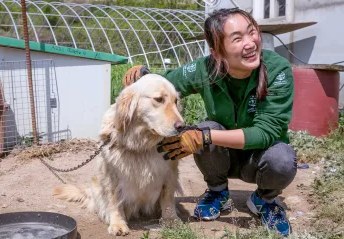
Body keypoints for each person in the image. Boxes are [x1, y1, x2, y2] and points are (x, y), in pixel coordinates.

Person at [122, 8, 297, 236]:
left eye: (251, 32)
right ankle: (217, 192)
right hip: (222, 156)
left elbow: (266, 131)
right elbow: (170, 82)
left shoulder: (277, 69)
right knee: (207, 129)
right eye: (237, 38)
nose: (250, 43)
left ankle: (265, 199)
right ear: (217, 53)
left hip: (260, 158)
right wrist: (145, 77)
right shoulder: (206, 68)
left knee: (282, 158)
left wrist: (204, 136)